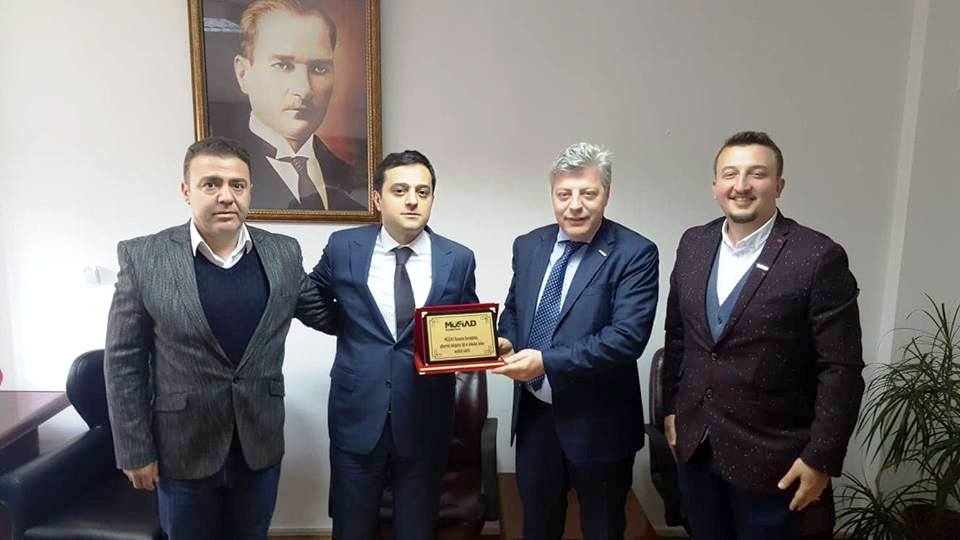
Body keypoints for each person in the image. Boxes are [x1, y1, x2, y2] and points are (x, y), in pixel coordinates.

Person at [104, 136, 336, 539]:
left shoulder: (283, 253)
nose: (226, 196)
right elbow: (123, 360)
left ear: (250, 191)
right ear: (186, 191)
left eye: (237, 185)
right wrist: (135, 450)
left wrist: (378, 282)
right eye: (211, 184)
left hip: (258, 446)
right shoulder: (144, 257)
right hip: (182, 449)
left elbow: (328, 316)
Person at [661, 131, 865, 539]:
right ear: (715, 186)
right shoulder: (693, 244)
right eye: (730, 174)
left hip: (776, 461)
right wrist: (670, 409)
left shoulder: (817, 257)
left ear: (779, 186)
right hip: (697, 448)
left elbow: (840, 368)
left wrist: (821, 458)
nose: (741, 185)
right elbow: (678, 336)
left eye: (756, 174)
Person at [309, 150, 478, 538]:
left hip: (425, 413)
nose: (412, 200)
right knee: (352, 527)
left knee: (417, 528)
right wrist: (345, 326)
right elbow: (312, 294)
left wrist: (482, 345)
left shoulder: (458, 258)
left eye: (423, 191)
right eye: (400, 190)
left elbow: (464, 323)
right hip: (357, 412)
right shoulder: (344, 246)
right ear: (377, 198)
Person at [494, 142, 659, 539]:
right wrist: (506, 339)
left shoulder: (635, 253)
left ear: (607, 194)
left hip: (599, 424)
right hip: (536, 419)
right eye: (564, 194)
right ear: (552, 194)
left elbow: (625, 339)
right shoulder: (529, 245)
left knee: (603, 528)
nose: (575, 206)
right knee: (538, 526)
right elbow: (515, 308)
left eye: (588, 194)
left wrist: (545, 361)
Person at [233, 0, 366, 211]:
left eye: (319, 68)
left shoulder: (353, 179)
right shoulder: (224, 172)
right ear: (243, 73)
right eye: (283, 65)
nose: (304, 90)